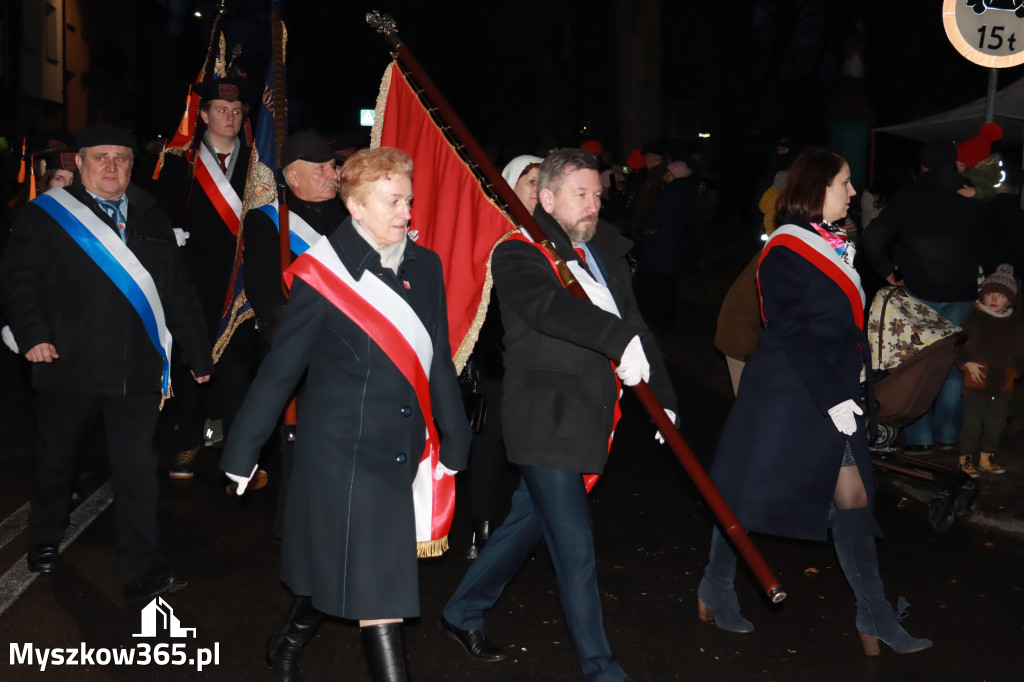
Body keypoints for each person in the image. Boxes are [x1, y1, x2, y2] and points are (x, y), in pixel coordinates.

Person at [220, 147, 470, 681]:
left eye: (408, 199)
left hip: (403, 448)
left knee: (348, 571)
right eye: (393, 201)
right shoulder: (322, 274)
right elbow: (280, 372)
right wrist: (242, 450)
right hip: (343, 454)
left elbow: (437, 359)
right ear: (355, 205)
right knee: (380, 590)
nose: (406, 212)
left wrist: (454, 435)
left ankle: (286, 641)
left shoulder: (426, 266)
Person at [440, 148, 676, 682]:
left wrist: (666, 398)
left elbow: (635, 323)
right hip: (545, 419)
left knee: (526, 526)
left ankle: (460, 611)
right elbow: (551, 310)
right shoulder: (519, 252)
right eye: (581, 195)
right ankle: (601, 668)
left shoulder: (604, 252)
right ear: (547, 199)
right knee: (574, 545)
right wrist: (617, 340)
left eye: (597, 193)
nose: (594, 204)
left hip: (590, 416)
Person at [699, 148, 932, 656]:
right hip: (789, 393)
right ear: (816, 189)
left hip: (834, 390)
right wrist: (832, 397)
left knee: (853, 497)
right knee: (747, 494)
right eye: (845, 183)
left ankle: (874, 615)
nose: (853, 192)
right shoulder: (785, 248)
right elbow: (791, 328)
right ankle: (715, 588)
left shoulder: (834, 242)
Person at [0, 125, 212, 600]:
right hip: (67, 364)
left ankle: (143, 567)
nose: (112, 167)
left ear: (132, 166)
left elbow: (178, 291)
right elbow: (20, 280)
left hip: (135, 372)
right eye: (101, 158)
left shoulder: (153, 216)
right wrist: (34, 335)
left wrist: (198, 353)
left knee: (138, 471)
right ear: (80, 163)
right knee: (57, 461)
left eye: (121, 158)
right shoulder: (47, 215)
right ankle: (44, 537)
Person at [240, 130, 345, 539]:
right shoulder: (267, 220)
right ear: (292, 177)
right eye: (319, 168)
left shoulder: (352, 215)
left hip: (350, 351)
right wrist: (293, 338)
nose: (331, 173)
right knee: (298, 452)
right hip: (298, 353)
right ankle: (293, 539)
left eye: (332, 165)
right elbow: (264, 291)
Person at [157, 76, 257, 480]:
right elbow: (158, 215)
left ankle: (237, 449)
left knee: (236, 364)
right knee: (190, 360)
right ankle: (188, 439)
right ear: (203, 114)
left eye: (236, 111)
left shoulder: (257, 163)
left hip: (239, 279)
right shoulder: (181, 161)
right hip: (193, 276)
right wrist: (169, 236)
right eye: (220, 109)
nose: (229, 116)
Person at [862, 138, 984, 455]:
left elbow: (873, 237)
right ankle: (947, 436)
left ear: (922, 166)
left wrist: (888, 272)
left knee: (919, 364)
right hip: (963, 292)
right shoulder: (972, 195)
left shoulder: (908, 197)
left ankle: (921, 439)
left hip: (919, 293)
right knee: (953, 364)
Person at [462, 153, 545, 559]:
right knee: (489, 445)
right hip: (496, 363)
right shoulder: (493, 233)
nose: (538, 190)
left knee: (534, 447)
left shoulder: (551, 237)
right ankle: (481, 527)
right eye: (531, 182)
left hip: (537, 363)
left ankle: (523, 527)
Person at [955, 264, 1024, 477]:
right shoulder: (973, 320)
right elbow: (957, 344)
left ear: (1010, 300)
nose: (994, 299)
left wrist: (1014, 371)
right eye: (990, 294)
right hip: (976, 384)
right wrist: (966, 362)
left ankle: (987, 457)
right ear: (983, 296)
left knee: (994, 425)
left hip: (1002, 385)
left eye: (1001, 296)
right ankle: (965, 459)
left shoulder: (1015, 325)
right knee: (972, 425)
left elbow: (1020, 352)